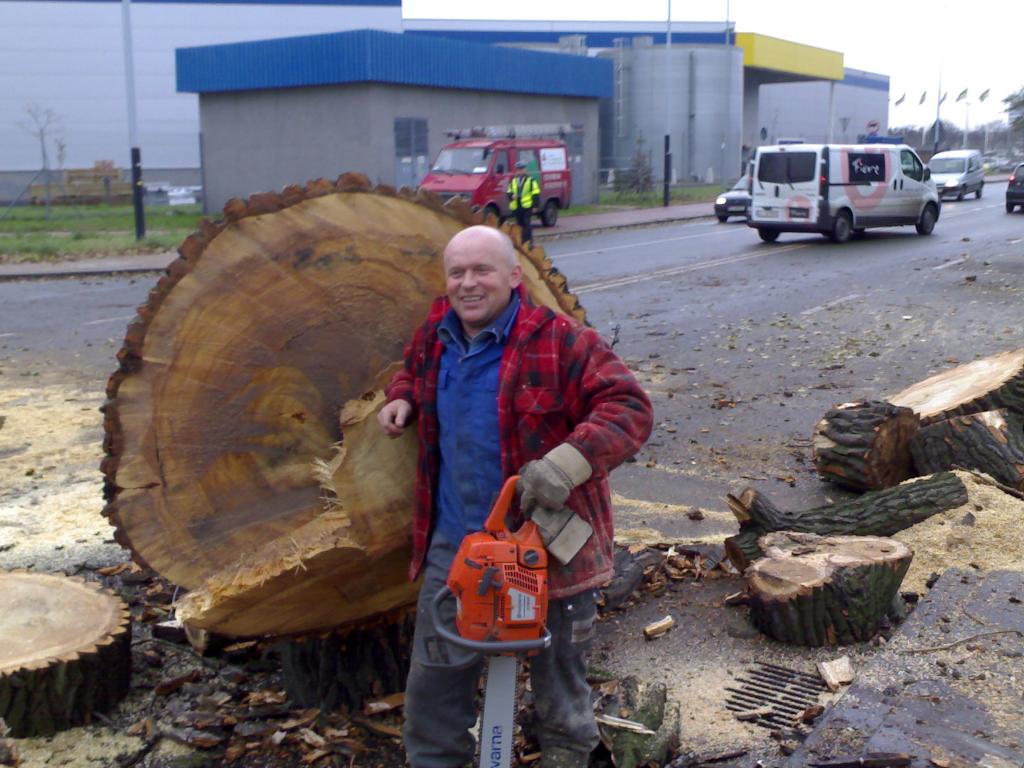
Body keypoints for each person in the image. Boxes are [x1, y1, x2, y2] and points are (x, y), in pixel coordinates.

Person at [377, 225, 653, 768]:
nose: (469, 283)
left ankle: (567, 758)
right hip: (458, 545)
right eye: (457, 272)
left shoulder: (560, 339)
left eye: (482, 270)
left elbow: (630, 407)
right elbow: (410, 371)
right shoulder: (435, 334)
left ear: (512, 276)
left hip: (549, 551)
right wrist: (403, 397)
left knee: (559, 689)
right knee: (436, 684)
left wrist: (566, 463)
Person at [506, 159, 541, 245]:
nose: (520, 171)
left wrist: (535, 206)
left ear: (525, 170)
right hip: (517, 206)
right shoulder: (514, 180)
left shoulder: (531, 180)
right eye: (519, 169)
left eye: (522, 169)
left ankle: (528, 241)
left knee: (527, 223)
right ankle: (521, 241)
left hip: (527, 206)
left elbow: (535, 193)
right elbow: (508, 191)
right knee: (519, 224)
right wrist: (511, 196)